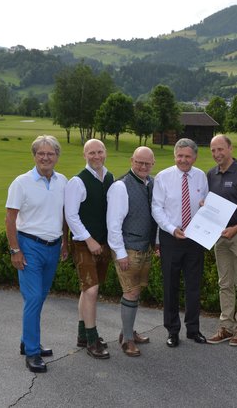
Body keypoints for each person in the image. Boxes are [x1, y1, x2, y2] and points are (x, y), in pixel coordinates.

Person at [5, 135, 69, 373]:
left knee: (40, 297)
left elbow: (63, 215)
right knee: (33, 299)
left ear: (57, 157)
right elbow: (10, 219)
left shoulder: (63, 181)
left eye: (50, 154)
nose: (45, 157)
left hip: (53, 246)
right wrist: (15, 250)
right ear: (34, 156)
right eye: (41, 153)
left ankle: (27, 340)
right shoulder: (21, 183)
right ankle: (32, 352)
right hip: (29, 246)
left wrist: (65, 242)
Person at [152, 138, 208, 348]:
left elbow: (206, 206)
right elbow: (157, 208)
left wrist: (206, 205)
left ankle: (193, 329)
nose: (183, 160)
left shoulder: (201, 177)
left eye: (187, 156)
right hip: (171, 237)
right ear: (175, 155)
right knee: (171, 285)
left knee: (194, 286)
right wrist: (171, 229)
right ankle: (172, 331)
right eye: (180, 156)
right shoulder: (163, 177)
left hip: (195, 239)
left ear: (194, 157)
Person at [205, 135, 237, 346]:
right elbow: (213, 206)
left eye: (220, 149)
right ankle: (225, 327)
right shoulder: (211, 174)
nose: (217, 154)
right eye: (213, 150)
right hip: (220, 236)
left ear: (230, 149)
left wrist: (235, 229)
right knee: (224, 283)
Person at [65, 139, 114, 359]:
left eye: (100, 152)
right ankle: (92, 339)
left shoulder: (110, 177)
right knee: (92, 289)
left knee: (88, 290)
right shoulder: (78, 181)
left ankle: (82, 334)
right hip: (83, 243)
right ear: (85, 155)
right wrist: (90, 240)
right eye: (92, 152)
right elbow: (71, 215)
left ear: (105, 153)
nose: (96, 156)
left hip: (103, 242)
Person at [107, 147, 157, 357]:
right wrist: (120, 253)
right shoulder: (120, 186)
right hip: (128, 248)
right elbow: (113, 223)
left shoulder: (152, 183)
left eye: (147, 163)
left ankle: (127, 331)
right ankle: (127, 340)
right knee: (131, 291)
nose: (143, 167)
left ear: (153, 164)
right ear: (131, 160)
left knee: (136, 291)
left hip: (144, 247)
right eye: (139, 162)